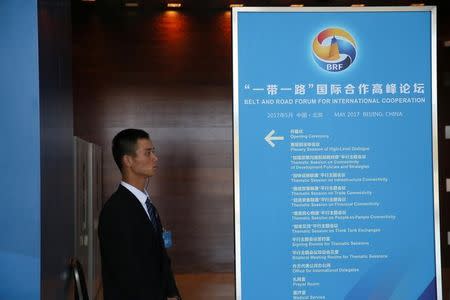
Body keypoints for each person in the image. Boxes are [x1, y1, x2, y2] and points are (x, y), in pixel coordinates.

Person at [98, 128, 181, 300]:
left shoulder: (147, 206)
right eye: (148, 153)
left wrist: (172, 294)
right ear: (128, 160)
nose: (155, 158)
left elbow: (161, 258)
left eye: (154, 152)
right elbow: (129, 275)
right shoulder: (116, 211)